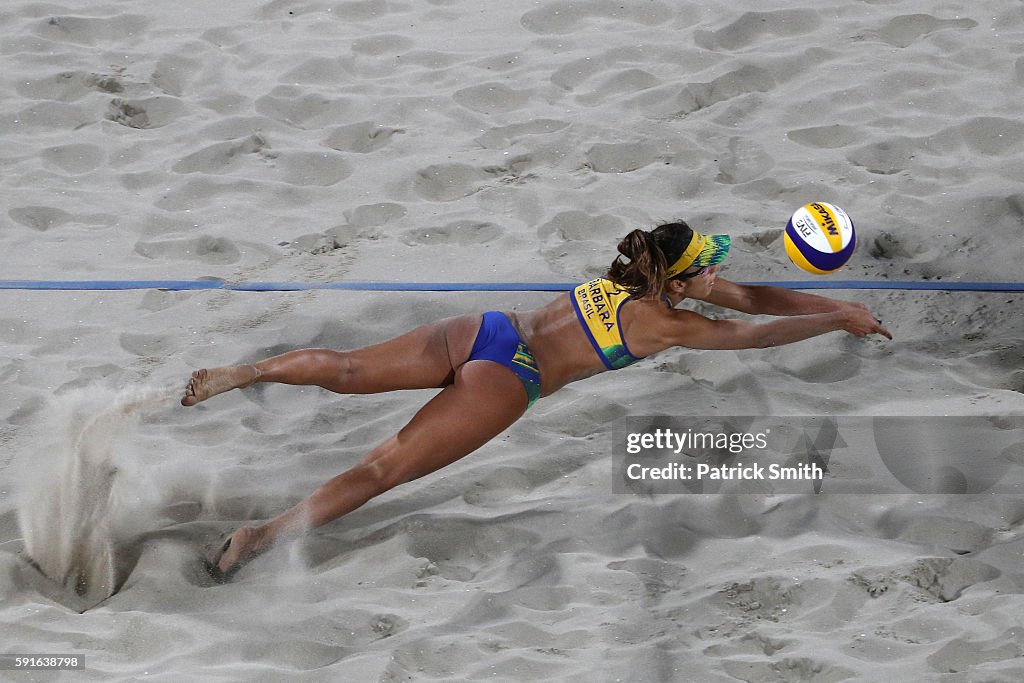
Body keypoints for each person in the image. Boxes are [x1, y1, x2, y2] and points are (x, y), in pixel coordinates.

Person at [182, 221, 891, 581]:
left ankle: (243, 372)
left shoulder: (631, 275)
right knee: (381, 470)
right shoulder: (671, 321)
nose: (718, 269)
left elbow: (756, 297)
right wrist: (834, 320)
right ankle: (259, 538)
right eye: (707, 264)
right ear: (680, 281)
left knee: (341, 367)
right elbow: (754, 333)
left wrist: (839, 303)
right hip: (510, 377)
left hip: (485, 329)